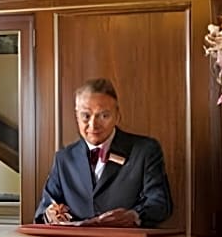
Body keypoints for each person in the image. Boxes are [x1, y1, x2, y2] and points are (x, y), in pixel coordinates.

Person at [34, 78, 173, 227]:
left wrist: (134, 216)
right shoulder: (64, 158)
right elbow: (44, 209)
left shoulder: (145, 150)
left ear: (117, 116)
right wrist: (50, 214)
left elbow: (161, 204)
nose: (93, 125)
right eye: (86, 116)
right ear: (76, 116)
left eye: (104, 116)